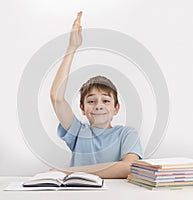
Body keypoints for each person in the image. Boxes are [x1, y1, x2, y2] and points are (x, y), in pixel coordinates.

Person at [50, 11, 143, 178]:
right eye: (91, 101)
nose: (99, 105)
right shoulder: (78, 132)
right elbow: (56, 98)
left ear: (116, 108)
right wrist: (72, 47)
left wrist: (70, 172)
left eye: (106, 100)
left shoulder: (126, 134)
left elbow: (129, 167)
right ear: (82, 108)